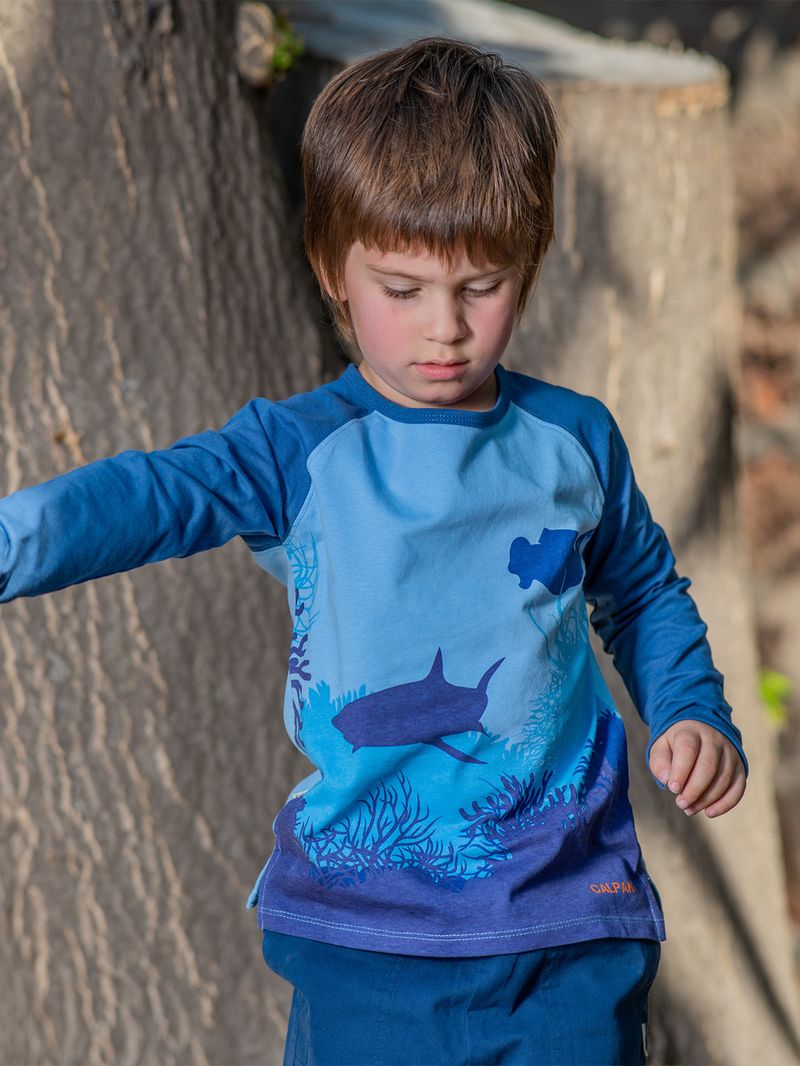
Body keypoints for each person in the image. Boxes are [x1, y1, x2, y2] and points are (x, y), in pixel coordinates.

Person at [0, 34, 747, 1066]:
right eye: (401, 290)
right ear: (331, 271)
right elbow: (148, 495)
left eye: (479, 287)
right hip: (363, 942)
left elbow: (641, 589)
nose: (443, 328)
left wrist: (690, 712)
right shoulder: (297, 449)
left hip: (570, 929)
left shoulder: (573, 439)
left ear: (526, 263)